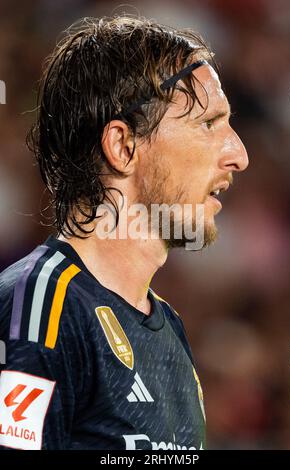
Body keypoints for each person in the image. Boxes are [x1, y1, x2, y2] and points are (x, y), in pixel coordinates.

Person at [0, 16, 248, 450]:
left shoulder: (169, 329)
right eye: (209, 124)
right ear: (123, 146)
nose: (238, 154)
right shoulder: (40, 307)